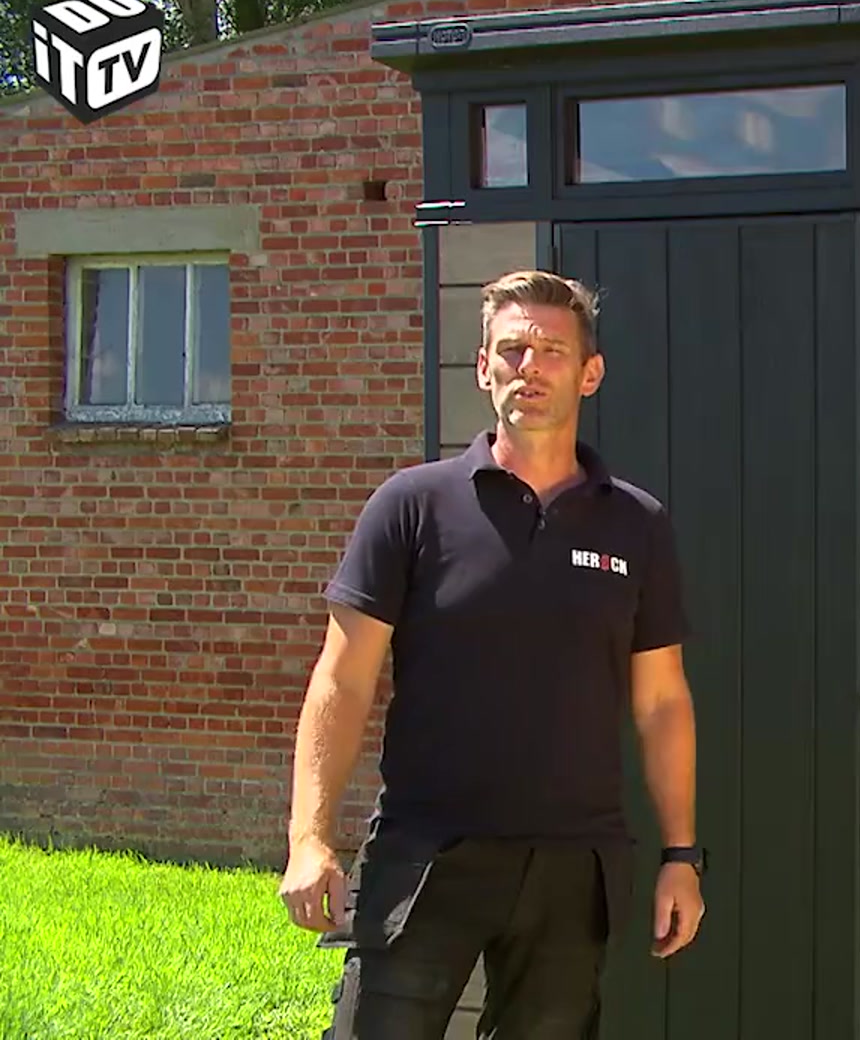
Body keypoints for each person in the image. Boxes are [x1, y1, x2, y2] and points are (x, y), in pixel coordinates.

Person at [278, 269, 705, 1038]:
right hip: (426, 855)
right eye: (511, 350)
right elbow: (342, 679)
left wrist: (682, 854)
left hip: (574, 868)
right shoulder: (413, 506)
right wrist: (309, 838)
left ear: (590, 373)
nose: (529, 367)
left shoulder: (636, 525)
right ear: (482, 368)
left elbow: (662, 701)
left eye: (552, 351)